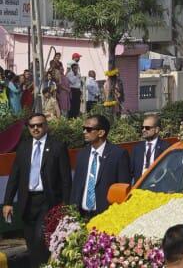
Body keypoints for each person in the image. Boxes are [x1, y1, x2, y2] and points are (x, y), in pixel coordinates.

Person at [3, 113, 71, 268]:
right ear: (28, 128)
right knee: (30, 241)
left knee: (41, 239)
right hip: (27, 201)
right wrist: (7, 202)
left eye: (39, 125)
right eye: (32, 126)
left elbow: (66, 179)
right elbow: (15, 176)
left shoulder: (57, 146)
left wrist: (67, 206)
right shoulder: (24, 147)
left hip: (48, 202)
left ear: (45, 126)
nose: (36, 128)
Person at [70, 114, 131, 217]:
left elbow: (123, 187)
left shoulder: (118, 154)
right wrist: (72, 212)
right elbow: (76, 185)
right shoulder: (82, 154)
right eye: (83, 128)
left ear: (101, 132)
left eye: (88, 129)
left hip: (106, 216)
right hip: (82, 214)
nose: (84, 132)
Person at [130, 114, 170, 183]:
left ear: (157, 129)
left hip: (158, 187)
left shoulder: (165, 148)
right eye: (142, 127)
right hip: (139, 188)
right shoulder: (137, 148)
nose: (143, 130)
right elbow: (130, 172)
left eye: (147, 128)